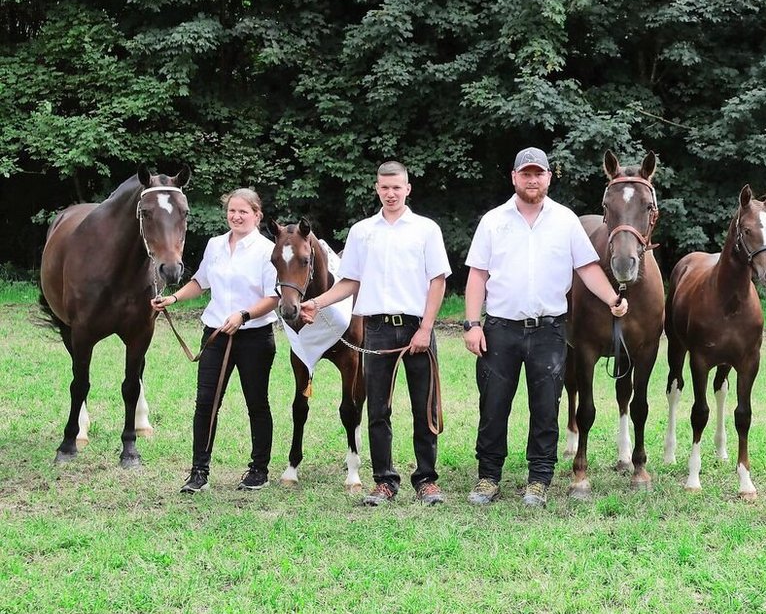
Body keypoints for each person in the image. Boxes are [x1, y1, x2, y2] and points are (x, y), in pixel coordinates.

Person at [462, 147, 628, 508]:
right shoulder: (493, 220)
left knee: (546, 407)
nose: (532, 180)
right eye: (526, 174)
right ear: (514, 178)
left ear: (548, 178)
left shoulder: (565, 220)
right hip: (499, 330)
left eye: (539, 174)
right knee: (493, 406)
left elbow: (587, 268)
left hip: (549, 330)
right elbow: (477, 274)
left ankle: (539, 479)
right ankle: (488, 477)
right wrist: (473, 324)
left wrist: (612, 299)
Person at [299, 161, 451, 507]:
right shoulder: (362, 231)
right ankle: (384, 480)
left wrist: (426, 328)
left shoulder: (426, 229)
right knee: (378, 408)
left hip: (417, 327)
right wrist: (317, 303)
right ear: (377, 189)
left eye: (397, 187)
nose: (391, 193)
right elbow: (351, 281)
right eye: (385, 187)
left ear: (408, 188)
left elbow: (438, 281)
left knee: (424, 407)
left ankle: (426, 480)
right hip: (378, 329)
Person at [153, 188, 280, 493]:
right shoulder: (215, 245)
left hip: (254, 336)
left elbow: (273, 297)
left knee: (257, 403)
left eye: (243, 212)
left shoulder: (267, 250)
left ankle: (258, 469)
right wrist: (173, 297)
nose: (236, 216)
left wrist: (244, 315)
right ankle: (199, 471)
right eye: (232, 211)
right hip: (215, 334)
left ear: (257, 215)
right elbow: (201, 281)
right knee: (206, 404)